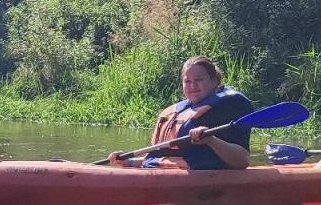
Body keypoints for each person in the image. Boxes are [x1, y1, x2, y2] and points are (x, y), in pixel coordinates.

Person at [108, 56, 255, 170]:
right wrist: (127, 161)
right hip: (166, 173)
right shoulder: (177, 112)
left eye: (198, 80)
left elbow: (242, 160)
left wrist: (211, 140)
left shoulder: (229, 106)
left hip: (208, 181)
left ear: (214, 81)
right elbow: (165, 158)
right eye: (187, 81)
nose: (193, 86)